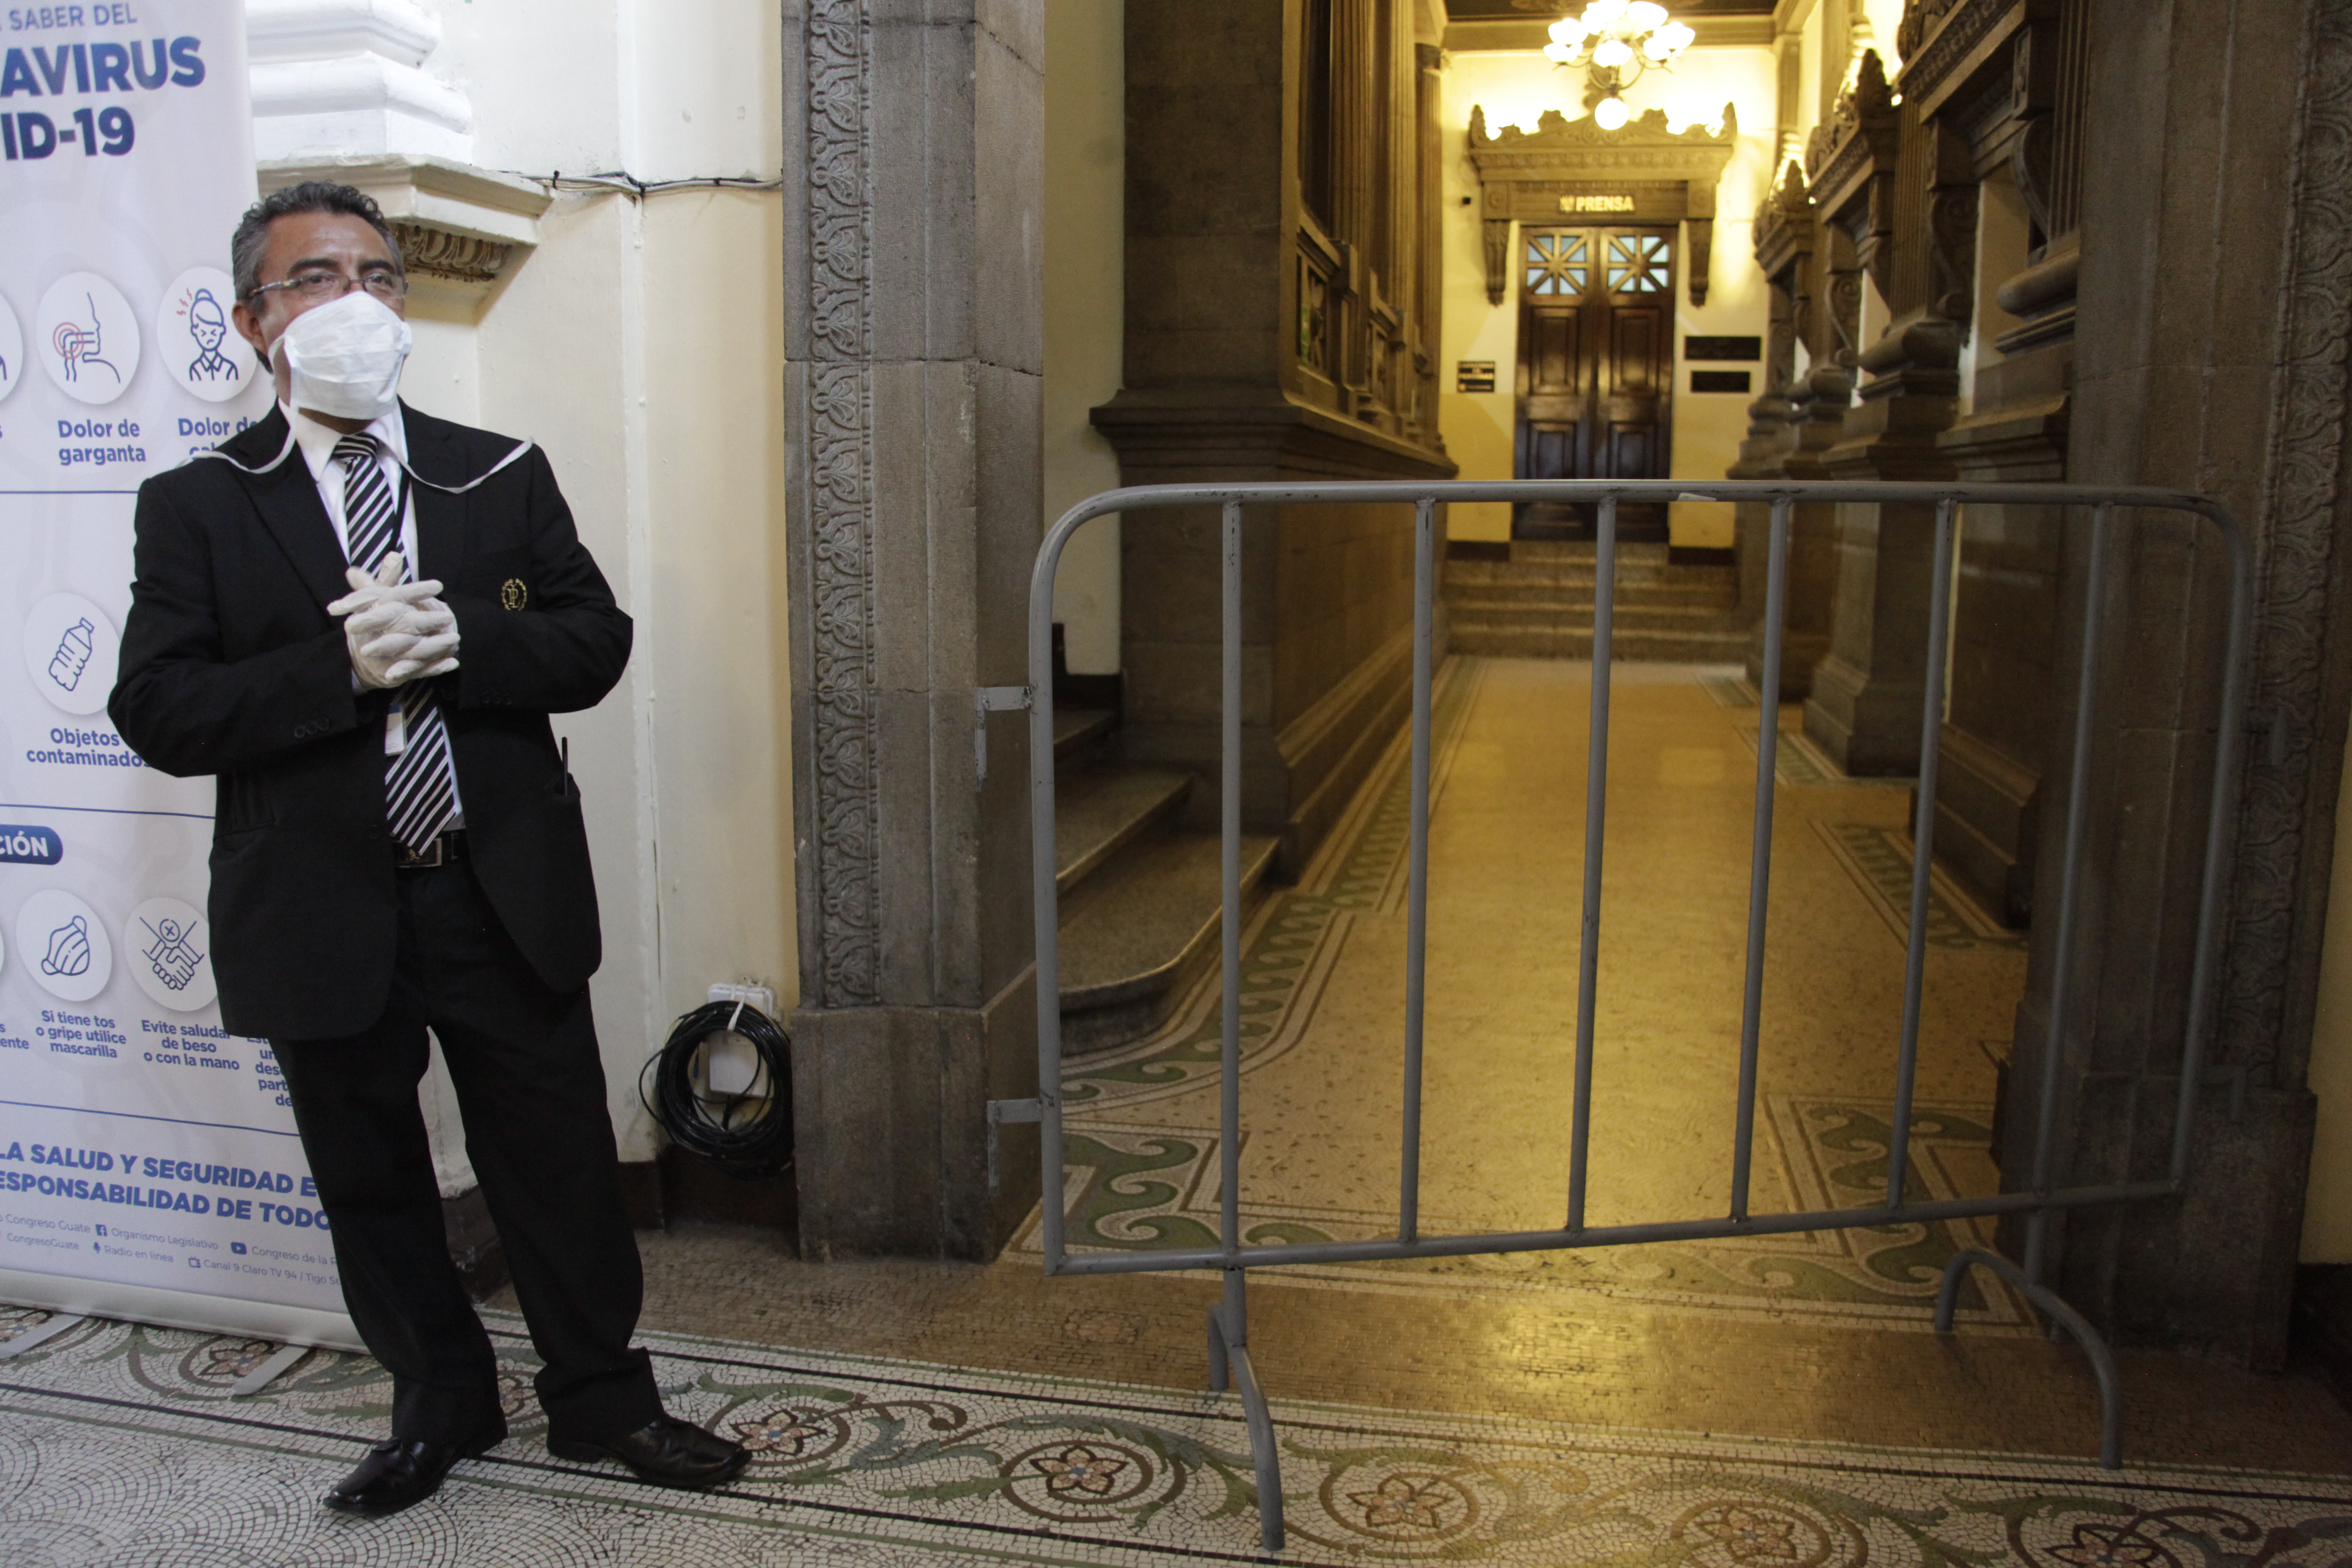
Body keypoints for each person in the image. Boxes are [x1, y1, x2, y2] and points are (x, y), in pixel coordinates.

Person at [108, 182, 748, 1517]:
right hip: (319, 901)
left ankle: (602, 1402)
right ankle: (440, 1404)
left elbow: (596, 639)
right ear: (254, 322)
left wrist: (471, 640)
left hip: (495, 884)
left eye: (381, 275)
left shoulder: (493, 469)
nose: (357, 301)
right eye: (316, 279)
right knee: (371, 1175)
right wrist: (331, 668)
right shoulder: (200, 505)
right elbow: (159, 709)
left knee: (558, 1160)